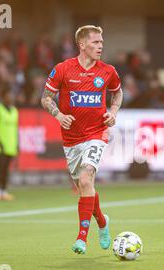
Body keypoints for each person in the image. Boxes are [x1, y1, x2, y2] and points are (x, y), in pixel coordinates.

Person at [41, 25, 123, 255]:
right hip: (71, 139)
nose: (101, 46)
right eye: (96, 42)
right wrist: (58, 115)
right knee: (85, 186)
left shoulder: (108, 71)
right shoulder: (63, 69)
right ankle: (102, 222)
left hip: (97, 133)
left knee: (86, 178)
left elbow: (118, 92)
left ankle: (82, 238)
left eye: (101, 42)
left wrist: (113, 113)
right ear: (82, 45)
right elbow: (46, 98)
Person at [0, 86, 19, 200]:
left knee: (7, 169)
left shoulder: (14, 111)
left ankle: (4, 190)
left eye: (11, 95)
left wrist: (17, 144)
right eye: (8, 95)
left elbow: (16, 130)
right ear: (3, 97)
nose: (10, 97)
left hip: (11, 145)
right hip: (1, 145)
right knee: (0, 168)